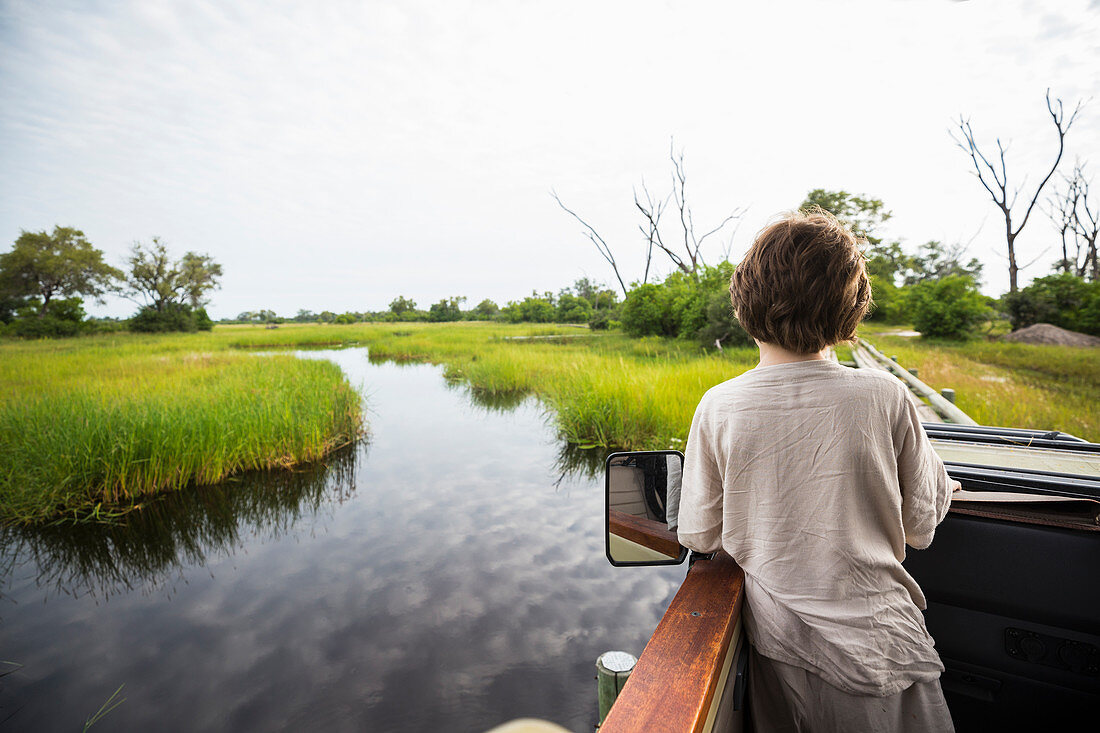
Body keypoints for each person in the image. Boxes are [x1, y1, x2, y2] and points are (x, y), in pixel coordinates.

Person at [676, 209, 960, 732]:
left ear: (744, 302)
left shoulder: (718, 406)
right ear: (851, 311)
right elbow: (920, 526)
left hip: (783, 650)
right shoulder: (886, 396)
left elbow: (700, 532)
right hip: (885, 643)